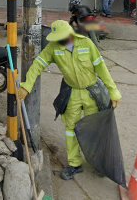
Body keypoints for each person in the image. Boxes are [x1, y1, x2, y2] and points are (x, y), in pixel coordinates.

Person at [18, 20, 121, 180]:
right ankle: (74, 164)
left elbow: (101, 68)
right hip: (71, 92)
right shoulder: (53, 48)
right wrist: (26, 86)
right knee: (70, 130)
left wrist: (113, 91)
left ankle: (96, 161)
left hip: (91, 92)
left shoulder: (86, 43)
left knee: (92, 129)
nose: (61, 41)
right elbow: (38, 64)